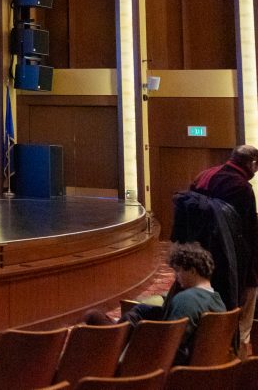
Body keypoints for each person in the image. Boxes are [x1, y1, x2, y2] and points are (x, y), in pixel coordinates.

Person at [85, 242, 226, 363]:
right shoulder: (219, 301)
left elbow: (169, 346)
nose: (176, 277)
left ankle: (108, 348)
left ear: (193, 271)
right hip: (195, 365)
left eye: (178, 271)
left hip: (157, 368)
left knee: (93, 317)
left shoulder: (186, 300)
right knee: (134, 312)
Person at [190, 144, 258, 354]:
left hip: (199, 257)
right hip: (233, 265)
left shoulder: (205, 175)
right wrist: (252, 275)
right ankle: (238, 363)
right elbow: (248, 234)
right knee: (240, 324)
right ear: (252, 164)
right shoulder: (241, 187)